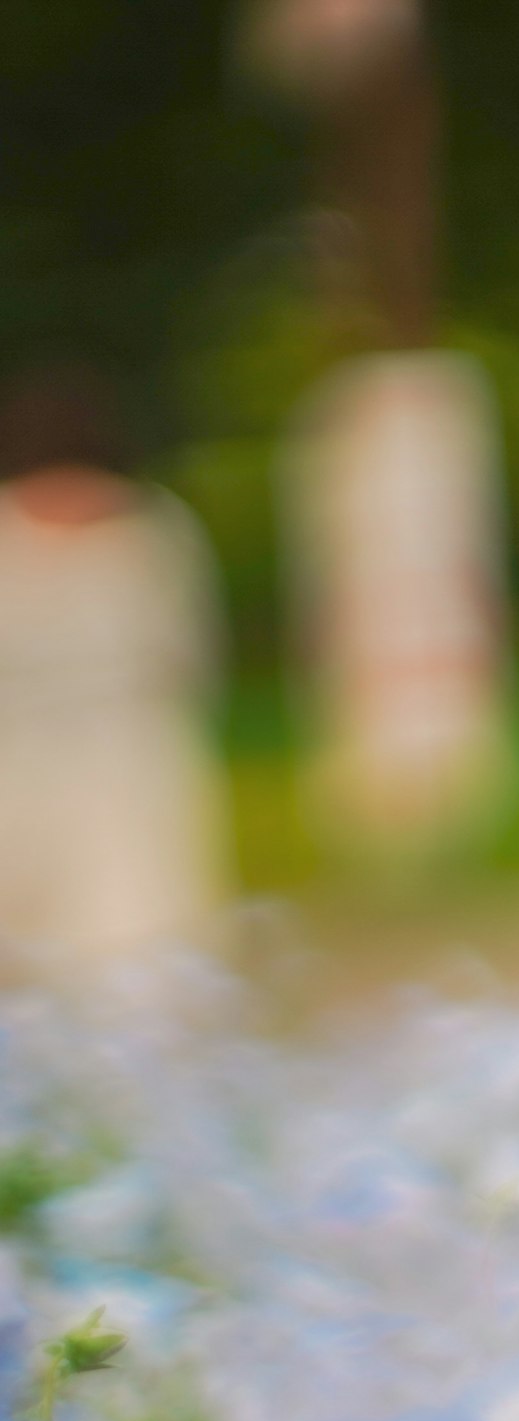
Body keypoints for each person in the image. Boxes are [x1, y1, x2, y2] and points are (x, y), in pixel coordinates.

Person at [0, 367, 231, 975]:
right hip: (134, 762)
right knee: (137, 948)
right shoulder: (154, 528)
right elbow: (191, 654)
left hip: (27, 760)